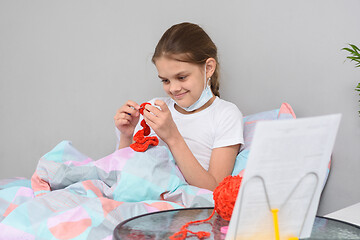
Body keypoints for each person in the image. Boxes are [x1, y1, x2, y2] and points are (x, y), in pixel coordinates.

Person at [114, 22, 244, 191]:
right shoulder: (156, 108)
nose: (173, 88)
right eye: (165, 80)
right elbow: (122, 177)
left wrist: (173, 137)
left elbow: (214, 190)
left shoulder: (226, 115)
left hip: (183, 203)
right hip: (141, 194)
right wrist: (126, 136)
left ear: (209, 68)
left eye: (182, 77)